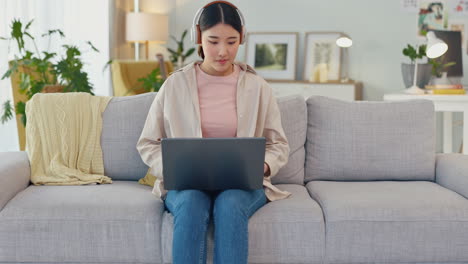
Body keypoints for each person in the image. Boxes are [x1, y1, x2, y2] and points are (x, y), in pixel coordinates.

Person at [136, 1, 291, 263]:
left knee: (230, 205)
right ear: (198, 37)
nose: (223, 51)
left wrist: (262, 166)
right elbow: (148, 142)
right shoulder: (175, 85)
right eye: (213, 41)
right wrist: (170, 167)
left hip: (240, 185)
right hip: (187, 184)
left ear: (241, 37)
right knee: (192, 205)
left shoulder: (258, 87)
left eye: (231, 42)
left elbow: (279, 145)